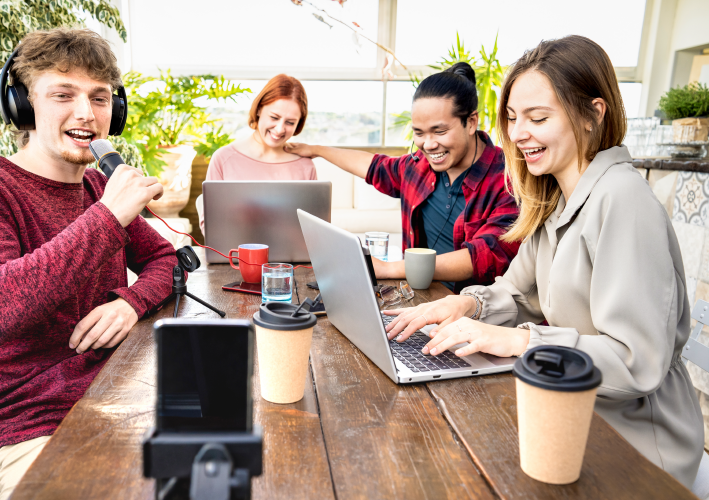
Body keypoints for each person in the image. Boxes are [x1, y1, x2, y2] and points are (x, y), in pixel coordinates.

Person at [384, 35, 705, 490]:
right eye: (513, 119)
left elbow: (636, 362)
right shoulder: (555, 198)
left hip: (636, 446)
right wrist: (465, 307)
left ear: (594, 114)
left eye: (538, 118)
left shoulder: (623, 201)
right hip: (565, 411)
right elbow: (516, 291)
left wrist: (519, 340)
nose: (517, 134)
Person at [0, 28, 177, 500]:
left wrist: (130, 302)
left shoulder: (93, 188)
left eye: (100, 97)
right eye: (63, 94)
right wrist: (108, 217)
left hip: (119, 395)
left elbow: (166, 260)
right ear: (24, 106)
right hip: (30, 422)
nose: (86, 113)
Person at [286, 63, 519, 292]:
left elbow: (485, 255)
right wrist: (316, 150)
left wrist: (389, 269)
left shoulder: (509, 180)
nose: (428, 145)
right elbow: (374, 166)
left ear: (471, 122)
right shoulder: (419, 166)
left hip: (475, 310)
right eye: (419, 133)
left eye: (440, 131)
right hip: (419, 296)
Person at [198, 74, 316, 233]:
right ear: (259, 109)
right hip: (236, 256)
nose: (280, 129)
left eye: (290, 122)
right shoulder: (224, 159)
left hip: (291, 258)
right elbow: (210, 228)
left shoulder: (305, 166)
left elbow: (314, 231)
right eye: (274, 117)